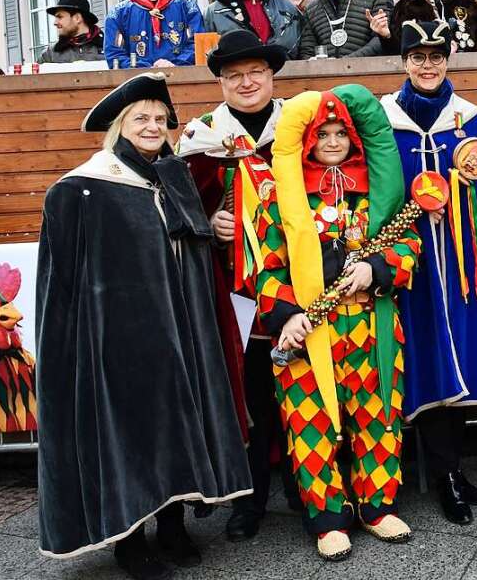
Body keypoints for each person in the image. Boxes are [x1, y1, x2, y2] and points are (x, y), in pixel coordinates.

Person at [36, 73, 251, 578]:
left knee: (177, 426)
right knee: (130, 435)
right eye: (141, 119)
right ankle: (130, 541)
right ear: (119, 126)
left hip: (179, 334)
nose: (153, 126)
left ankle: (173, 525)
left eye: (160, 119)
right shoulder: (82, 188)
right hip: (117, 342)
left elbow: (195, 258)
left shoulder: (175, 180)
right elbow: (59, 287)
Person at [254, 85, 421, 560]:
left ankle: (377, 506)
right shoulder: (282, 197)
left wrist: (378, 267)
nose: (331, 141)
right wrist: (285, 315)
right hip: (307, 331)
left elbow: (408, 245)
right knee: (311, 422)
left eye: (339, 132)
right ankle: (328, 518)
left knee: (379, 416)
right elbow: (267, 267)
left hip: (370, 325)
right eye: (321, 133)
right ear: (307, 140)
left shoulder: (377, 191)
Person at [380, 20, 477, 525]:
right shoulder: (383, 119)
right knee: (425, 359)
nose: (428, 64)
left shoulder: (469, 119)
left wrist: (458, 203)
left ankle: (451, 470)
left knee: (461, 357)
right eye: (418, 55)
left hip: (465, 263)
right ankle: (441, 473)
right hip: (412, 266)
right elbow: (377, 191)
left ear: (448, 59)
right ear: (403, 61)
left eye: (436, 55)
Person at [176, 29, 296, 542]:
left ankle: (307, 482)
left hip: (298, 280)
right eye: (234, 76)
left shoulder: (300, 123)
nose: (247, 83)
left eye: (256, 73)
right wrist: (209, 221)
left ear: (271, 76)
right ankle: (250, 496)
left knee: (303, 379)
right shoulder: (202, 137)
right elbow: (179, 212)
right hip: (235, 289)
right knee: (250, 387)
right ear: (221, 83)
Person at [39, 0, 104, 63]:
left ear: (77, 18)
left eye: (60, 17)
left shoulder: (109, 48)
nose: (55, 23)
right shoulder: (49, 54)